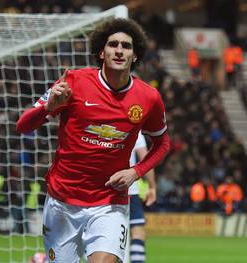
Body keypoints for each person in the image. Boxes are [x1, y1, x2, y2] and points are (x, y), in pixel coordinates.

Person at [16, 18, 170, 263]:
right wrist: (48, 109)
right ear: (102, 52)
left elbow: (162, 144)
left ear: (135, 56)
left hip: (109, 202)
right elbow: (23, 125)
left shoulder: (148, 97)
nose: (119, 50)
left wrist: (136, 172)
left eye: (126, 46)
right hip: (62, 200)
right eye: (113, 44)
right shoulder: (73, 82)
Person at [127, 132, 156, 263]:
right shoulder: (134, 128)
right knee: (138, 233)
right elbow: (146, 160)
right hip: (128, 190)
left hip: (100, 188)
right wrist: (152, 187)